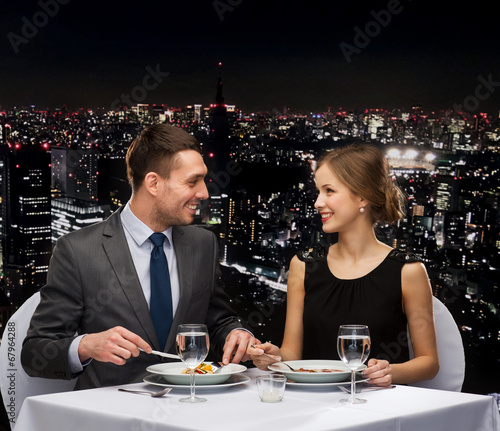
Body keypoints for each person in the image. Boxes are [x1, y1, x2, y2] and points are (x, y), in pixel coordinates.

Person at [21, 124, 256, 390]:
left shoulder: (204, 244)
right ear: (153, 183)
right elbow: (35, 356)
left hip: (188, 411)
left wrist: (237, 333)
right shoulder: (77, 251)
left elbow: (218, 319)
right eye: (192, 181)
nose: (204, 193)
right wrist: (85, 346)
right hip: (110, 418)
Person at [251, 143, 439, 386]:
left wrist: (390, 371)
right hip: (312, 402)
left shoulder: (407, 271)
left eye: (329, 191)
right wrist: (273, 357)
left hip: (379, 408)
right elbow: (292, 355)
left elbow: (429, 362)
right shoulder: (303, 265)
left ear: (363, 196)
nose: (318, 202)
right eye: (318, 191)